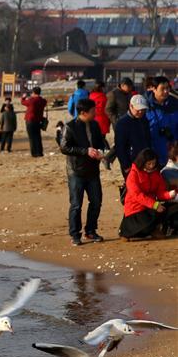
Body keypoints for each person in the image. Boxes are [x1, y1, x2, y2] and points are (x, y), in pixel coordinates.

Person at [61, 98, 107, 246]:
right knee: (76, 204)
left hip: (93, 170)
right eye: (93, 111)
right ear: (83, 112)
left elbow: (100, 141)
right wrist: (85, 151)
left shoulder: (94, 124)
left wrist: (102, 152)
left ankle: (91, 230)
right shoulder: (70, 126)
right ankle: (75, 234)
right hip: (76, 171)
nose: (95, 113)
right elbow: (64, 147)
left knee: (96, 201)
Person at [119, 148, 178, 239]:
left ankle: (156, 229)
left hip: (151, 207)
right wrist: (154, 205)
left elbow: (160, 192)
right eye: (149, 164)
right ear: (142, 162)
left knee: (173, 208)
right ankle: (140, 231)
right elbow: (137, 195)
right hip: (136, 209)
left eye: (153, 163)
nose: (151, 166)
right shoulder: (133, 175)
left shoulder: (156, 173)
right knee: (149, 220)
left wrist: (169, 194)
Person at [115, 95, 153, 178]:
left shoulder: (144, 119)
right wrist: (126, 165)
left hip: (145, 161)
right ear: (131, 106)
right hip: (131, 163)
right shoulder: (122, 123)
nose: (140, 112)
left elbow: (148, 139)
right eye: (138, 110)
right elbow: (120, 147)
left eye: (143, 110)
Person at [144, 76, 178, 166]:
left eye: (168, 88)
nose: (166, 91)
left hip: (172, 151)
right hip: (152, 151)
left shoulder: (174, 104)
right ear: (153, 89)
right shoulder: (145, 106)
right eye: (162, 89)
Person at [21, 87, 47, 157]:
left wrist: (23, 97)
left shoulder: (32, 100)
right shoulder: (43, 101)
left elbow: (23, 102)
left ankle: (34, 153)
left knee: (32, 138)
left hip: (30, 120)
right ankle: (39, 152)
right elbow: (44, 101)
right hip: (38, 120)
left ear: (33, 92)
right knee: (38, 137)